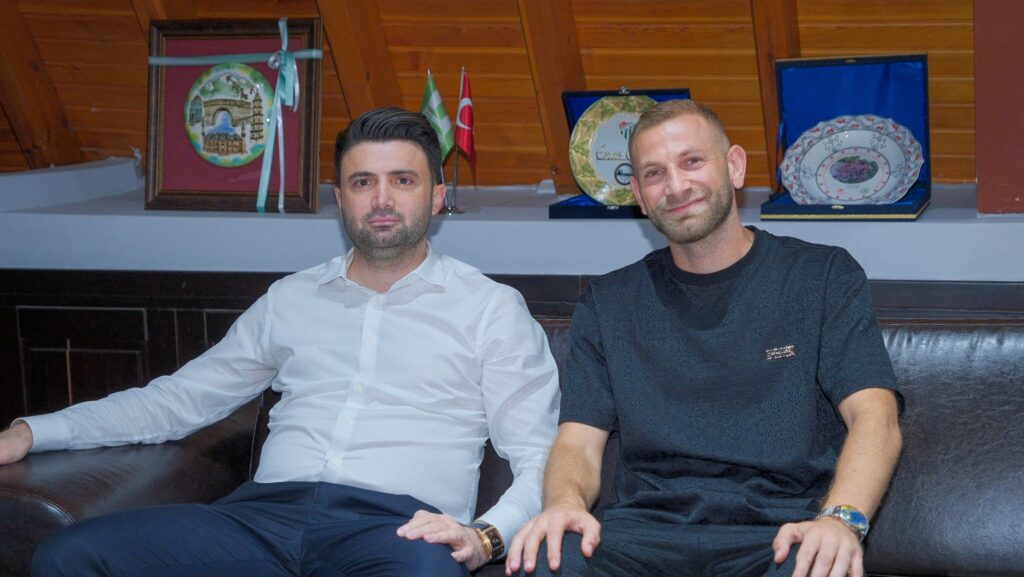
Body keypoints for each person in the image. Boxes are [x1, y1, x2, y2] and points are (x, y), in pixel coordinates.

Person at [0, 107, 560, 577]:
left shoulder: (490, 308)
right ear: (340, 198)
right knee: (69, 555)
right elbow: (177, 401)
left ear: (436, 197)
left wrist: (485, 536)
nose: (381, 199)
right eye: (363, 182)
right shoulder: (291, 298)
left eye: (403, 181)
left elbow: (541, 456)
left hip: (399, 531)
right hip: (260, 521)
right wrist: (33, 432)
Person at [505, 100, 903, 577]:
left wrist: (841, 520)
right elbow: (578, 443)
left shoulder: (822, 276)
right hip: (641, 539)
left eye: (692, 161)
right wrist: (564, 503)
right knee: (546, 558)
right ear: (639, 195)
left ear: (734, 166)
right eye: (654, 174)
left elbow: (875, 416)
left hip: (778, 537)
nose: (676, 186)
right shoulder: (607, 303)